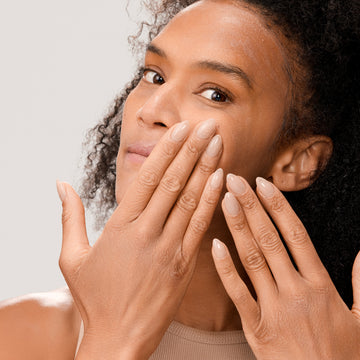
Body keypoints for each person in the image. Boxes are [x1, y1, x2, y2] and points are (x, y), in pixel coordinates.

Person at [1, 0, 359, 358]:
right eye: (154, 76)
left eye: (215, 94)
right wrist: (112, 341)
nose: (150, 109)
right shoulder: (19, 335)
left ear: (297, 162)